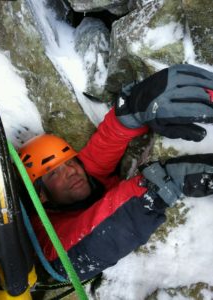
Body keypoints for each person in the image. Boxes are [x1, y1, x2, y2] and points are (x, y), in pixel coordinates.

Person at [19, 64, 213, 281]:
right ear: (41, 196)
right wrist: (159, 185)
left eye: (70, 162)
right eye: (53, 173)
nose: (71, 171)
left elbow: (100, 150)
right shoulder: (45, 237)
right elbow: (83, 245)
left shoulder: (82, 179)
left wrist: (131, 109)